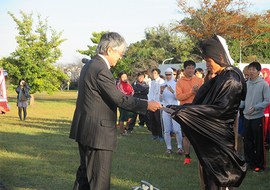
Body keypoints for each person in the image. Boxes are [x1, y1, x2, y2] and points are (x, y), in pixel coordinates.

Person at [69, 32, 161, 190]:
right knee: (99, 181)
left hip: (85, 130)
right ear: (110, 50)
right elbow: (119, 99)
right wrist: (146, 105)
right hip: (98, 134)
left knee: (85, 177)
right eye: (120, 53)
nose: (121, 57)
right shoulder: (100, 70)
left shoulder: (89, 66)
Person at [169, 35, 247, 189]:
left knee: (219, 183)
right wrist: (184, 109)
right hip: (212, 141)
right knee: (208, 181)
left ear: (219, 57)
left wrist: (186, 112)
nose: (207, 65)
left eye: (208, 61)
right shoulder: (221, 77)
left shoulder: (231, 79)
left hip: (221, 144)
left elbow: (220, 110)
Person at [240, 62, 269, 174]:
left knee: (259, 142)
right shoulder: (246, 84)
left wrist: (256, 107)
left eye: (253, 69)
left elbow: (267, 101)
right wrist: (237, 106)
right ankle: (250, 163)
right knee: (247, 142)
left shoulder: (264, 84)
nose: (250, 72)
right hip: (247, 117)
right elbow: (243, 100)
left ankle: (260, 165)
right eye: (249, 69)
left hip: (258, 117)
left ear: (258, 71)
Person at [176, 60, 203, 164]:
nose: (191, 70)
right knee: (186, 135)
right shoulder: (180, 81)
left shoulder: (199, 80)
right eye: (189, 68)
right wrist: (191, 92)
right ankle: (187, 157)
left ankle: (201, 157)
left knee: (198, 134)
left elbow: (203, 95)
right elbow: (179, 96)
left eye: (192, 68)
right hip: (185, 109)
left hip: (196, 109)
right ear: (185, 69)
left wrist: (198, 91)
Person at [160, 68, 183, 154]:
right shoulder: (162, 84)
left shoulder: (176, 84)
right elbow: (160, 100)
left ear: (173, 75)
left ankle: (179, 147)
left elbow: (178, 98)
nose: (168, 76)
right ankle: (169, 148)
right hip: (165, 109)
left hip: (175, 109)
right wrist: (161, 92)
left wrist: (173, 92)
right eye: (166, 74)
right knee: (166, 130)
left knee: (177, 130)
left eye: (170, 74)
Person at [148, 68, 164, 141]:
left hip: (158, 103)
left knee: (158, 120)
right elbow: (150, 92)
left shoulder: (161, 81)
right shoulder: (152, 82)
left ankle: (161, 135)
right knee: (152, 119)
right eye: (153, 73)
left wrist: (158, 103)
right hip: (152, 102)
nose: (153, 75)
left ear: (158, 74)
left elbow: (161, 94)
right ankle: (154, 134)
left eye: (155, 73)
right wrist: (150, 101)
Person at [116, 71, 134, 136]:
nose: (124, 78)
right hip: (122, 102)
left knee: (131, 115)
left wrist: (129, 95)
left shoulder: (128, 84)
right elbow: (122, 92)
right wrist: (128, 95)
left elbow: (132, 91)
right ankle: (122, 132)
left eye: (125, 77)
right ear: (120, 78)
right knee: (122, 118)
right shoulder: (119, 84)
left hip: (129, 102)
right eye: (123, 77)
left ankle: (126, 128)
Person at [237, 66, 249, 155]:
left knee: (249, 138)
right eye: (245, 75)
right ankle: (239, 155)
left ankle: (251, 156)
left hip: (251, 114)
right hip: (241, 114)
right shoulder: (243, 84)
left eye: (248, 75)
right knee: (238, 136)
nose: (246, 77)